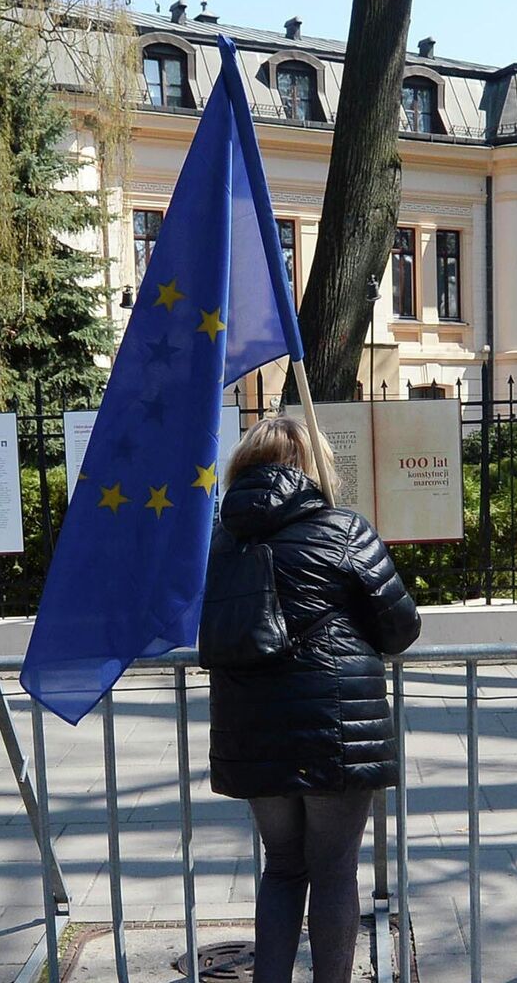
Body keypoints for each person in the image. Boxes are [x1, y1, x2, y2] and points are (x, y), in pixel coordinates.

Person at [206, 417, 421, 983]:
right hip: (337, 727)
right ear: (313, 465)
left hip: (252, 734)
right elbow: (401, 627)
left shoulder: (223, 542)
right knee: (332, 871)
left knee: (281, 868)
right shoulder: (342, 528)